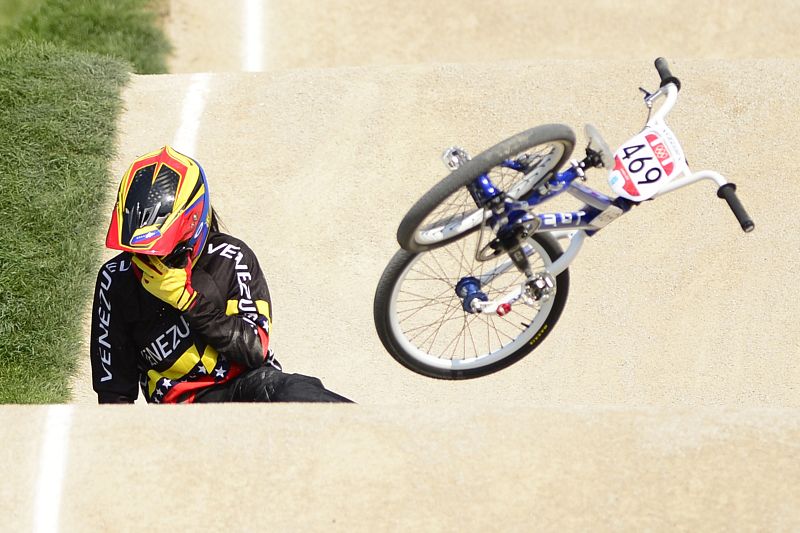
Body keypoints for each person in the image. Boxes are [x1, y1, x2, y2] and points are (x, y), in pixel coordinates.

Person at [89, 145, 352, 404]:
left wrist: (188, 301)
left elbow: (254, 349)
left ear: (192, 230)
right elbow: (114, 393)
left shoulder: (232, 256)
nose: (150, 262)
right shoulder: (114, 279)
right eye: (138, 253)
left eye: (164, 253)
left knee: (293, 389)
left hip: (246, 388)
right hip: (180, 413)